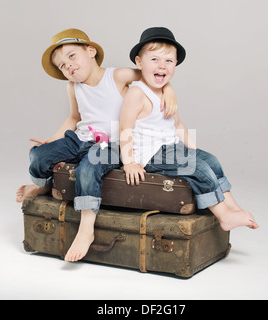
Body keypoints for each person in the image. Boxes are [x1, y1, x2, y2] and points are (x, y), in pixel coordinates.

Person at [15, 28, 178, 262]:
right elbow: (74, 118)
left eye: (71, 56)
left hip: (110, 143)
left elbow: (152, 75)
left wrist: (169, 90)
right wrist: (55, 137)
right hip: (81, 138)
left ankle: (86, 228)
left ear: (90, 51)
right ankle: (43, 185)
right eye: (62, 65)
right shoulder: (72, 86)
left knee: (88, 168)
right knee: (39, 155)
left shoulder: (118, 76)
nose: (68, 66)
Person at [119, 27, 259, 231]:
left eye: (168, 61)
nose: (162, 66)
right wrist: (129, 162)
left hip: (171, 147)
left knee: (210, 161)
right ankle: (224, 215)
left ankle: (234, 208)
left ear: (175, 64)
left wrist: (194, 150)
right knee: (198, 168)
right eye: (154, 60)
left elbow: (177, 125)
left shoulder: (166, 93)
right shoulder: (137, 94)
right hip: (150, 155)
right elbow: (125, 128)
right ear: (139, 62)